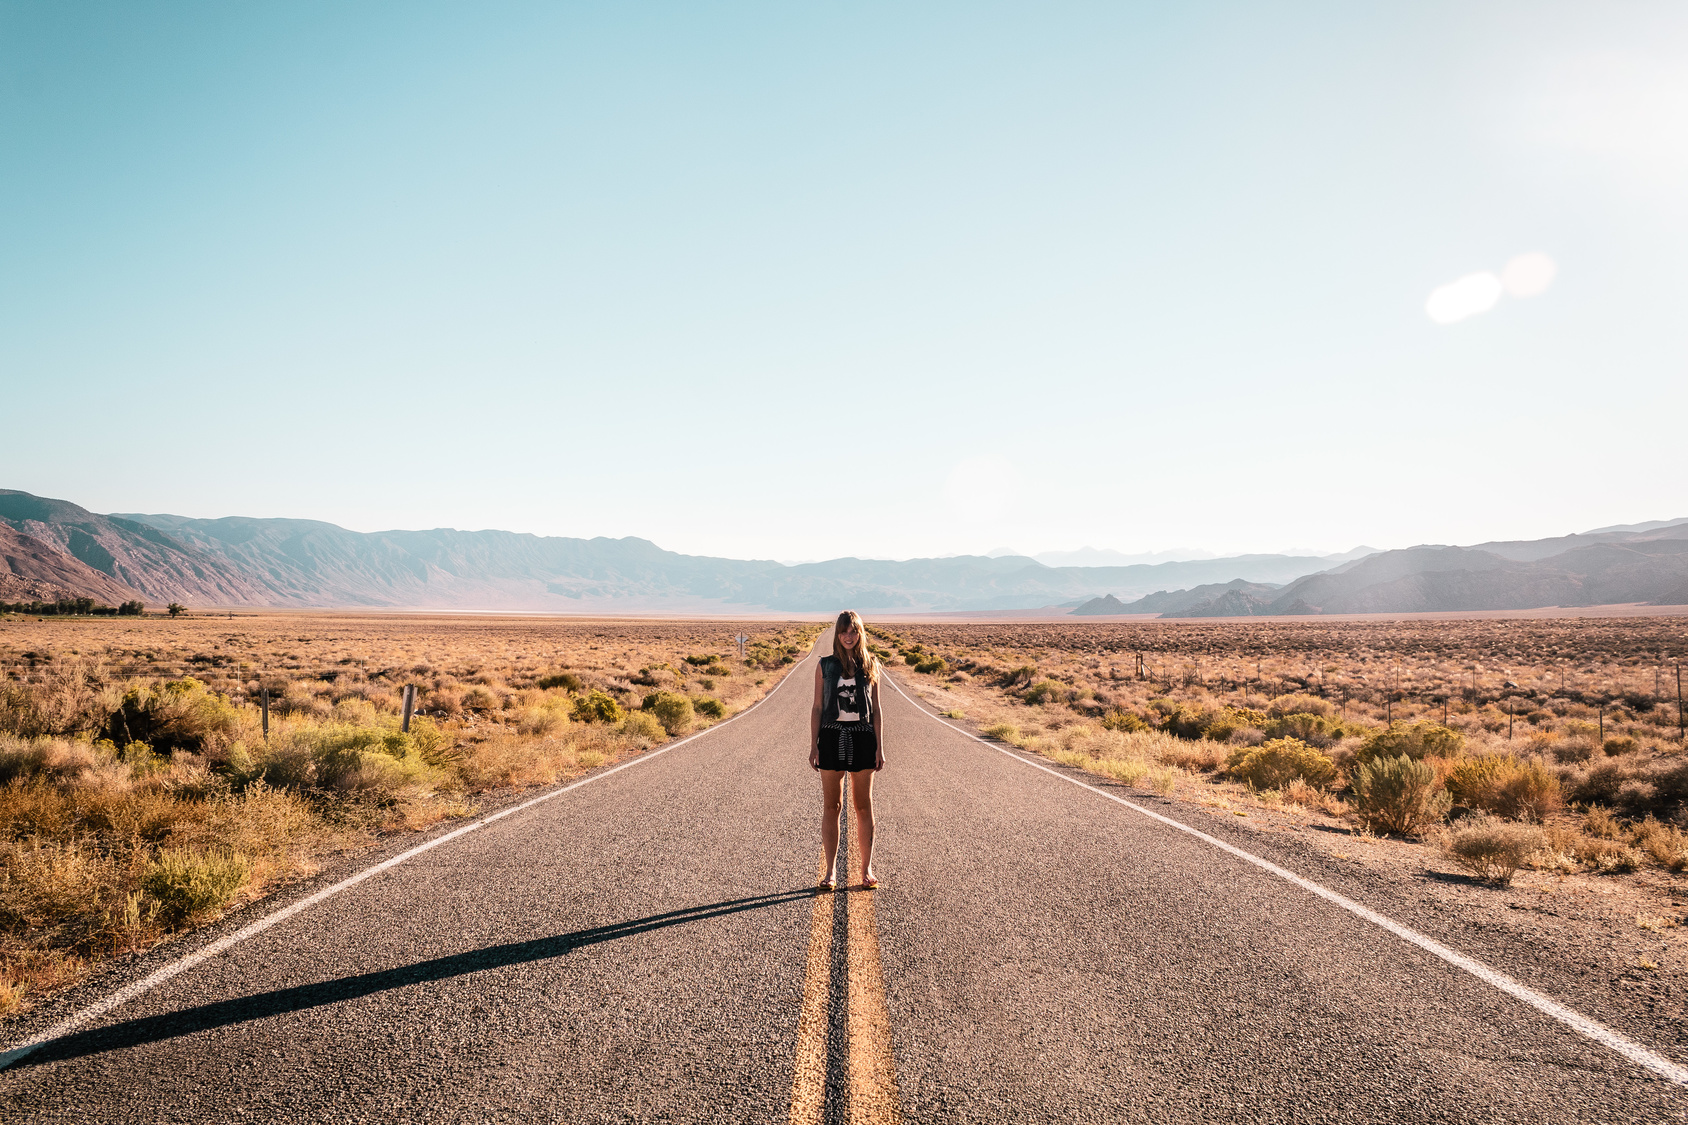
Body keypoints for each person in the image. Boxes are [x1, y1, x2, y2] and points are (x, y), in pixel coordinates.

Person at [809, 609, 884, 889]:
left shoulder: (871, 665)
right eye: (843, 631)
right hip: (830, 736)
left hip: (863, 737)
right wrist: (813, 745)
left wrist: (879, 747)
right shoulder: (825, 666)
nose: (848, 636)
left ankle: (866, 869)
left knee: (863, 806)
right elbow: (817, 707)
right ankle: (830, 872)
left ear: (860, 633)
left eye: (853, 631)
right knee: (832, 806)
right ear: (837, 634)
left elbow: (876, 710)